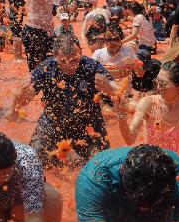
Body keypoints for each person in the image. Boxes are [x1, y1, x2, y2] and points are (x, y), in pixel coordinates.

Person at [9, 33, 117, 168]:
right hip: (53, 125)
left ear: (81, 53)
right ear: (55, 56)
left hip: (89, 125)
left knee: (101, 165)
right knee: (33, 161)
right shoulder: (46, 68)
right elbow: (24, 101)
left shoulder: (92, 67)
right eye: (63, 61)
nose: (69, 66)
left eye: (74, 61)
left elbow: (118, 93)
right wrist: (21, 93)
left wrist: (110, 89)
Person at [117, 61, 179, 156]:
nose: (158, 87)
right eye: (157, 81)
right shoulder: (147, 104)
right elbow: (130, 139)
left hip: (177, 164)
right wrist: (121, 115)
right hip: (151, 162)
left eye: (162, 84)